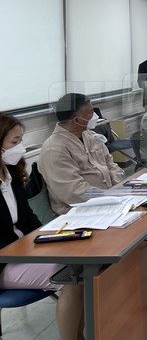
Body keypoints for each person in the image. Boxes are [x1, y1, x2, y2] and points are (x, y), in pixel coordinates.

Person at [0, 114, 84, 338]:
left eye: (21, 140)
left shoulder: (11, 174)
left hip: (23, 249)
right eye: (14, 142)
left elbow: (27, 216)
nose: (20, 148)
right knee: (72, 278)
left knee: (81, 264)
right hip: (4, 261)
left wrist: (47, 236)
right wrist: (26, 247)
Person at [38, 93, 125, 215]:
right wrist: (110, 197)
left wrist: (118, 189)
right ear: (77, 120)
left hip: (110, 202)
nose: (95, 116)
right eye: (91, 112)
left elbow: (110, 164)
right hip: (80, 212)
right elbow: (73, 192)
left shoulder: (90, 135)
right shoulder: (54, 150)